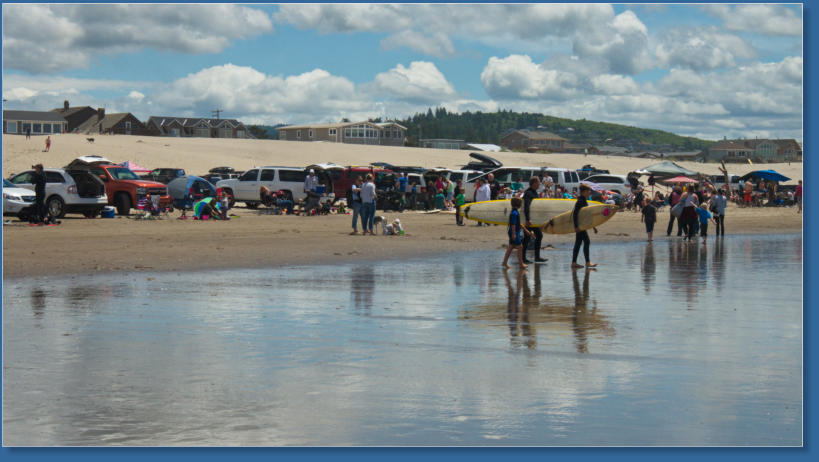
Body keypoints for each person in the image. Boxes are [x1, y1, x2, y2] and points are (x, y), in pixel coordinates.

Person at [571, 184, 598, 269]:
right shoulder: (580, 201)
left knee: (578, 243)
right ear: (584, 192)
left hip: (581, 225)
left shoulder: (583, 200)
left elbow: (586, 215)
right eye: (589, 191)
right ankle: (587, 262)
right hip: (580, 226)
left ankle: (574, 263)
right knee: (586, 241)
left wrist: (593, 226)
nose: (590, 192)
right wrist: (576, 226)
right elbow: (575, 214)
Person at [502, 197, 533, 269]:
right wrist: (514, 234)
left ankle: (504, 262)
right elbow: (513, 224)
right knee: (520, 247)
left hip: (514, 231)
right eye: (520, 203)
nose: (521, 204)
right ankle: (521, 263)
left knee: (511, 247)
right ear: (518, 204)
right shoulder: (514, 213)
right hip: (514, 231)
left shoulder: (515, 212)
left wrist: (525, 230)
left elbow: (518, 224)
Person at [522, 176, 546, 263]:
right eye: (538, 182)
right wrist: (528, 219)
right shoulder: (528, 193)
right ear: (534, 183)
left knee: (539, 236)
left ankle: (537, 257)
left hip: (534, 220)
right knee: (526, 239)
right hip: (529, 221)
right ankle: (523, 258)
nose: (539, 184)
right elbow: (526, 206)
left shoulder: (534, 192)